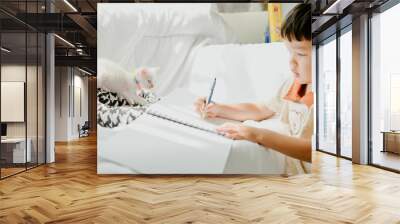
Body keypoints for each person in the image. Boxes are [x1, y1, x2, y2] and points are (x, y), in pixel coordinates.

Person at [194, 3, 313, 166]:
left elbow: (312, 151)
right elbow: (262, 109)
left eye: (300, 54)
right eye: (289, 52)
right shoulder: (297, 85)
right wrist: (219, 109)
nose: (291, 62)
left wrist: (258, 135)